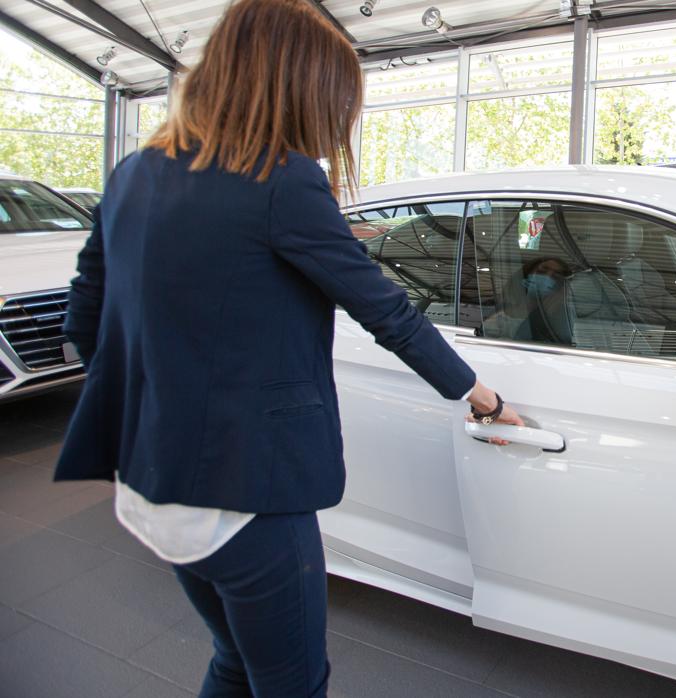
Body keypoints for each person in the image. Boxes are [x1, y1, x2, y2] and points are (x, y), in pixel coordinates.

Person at [51, 1, 521, 695]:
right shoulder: (280, 178)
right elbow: (384, 309)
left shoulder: (133, 172)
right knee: (293, 683)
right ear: (299, 87)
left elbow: (86, 311)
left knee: (235, 661)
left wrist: (159, 403)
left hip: (150, 483)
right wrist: (480, 395)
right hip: (242, 498)